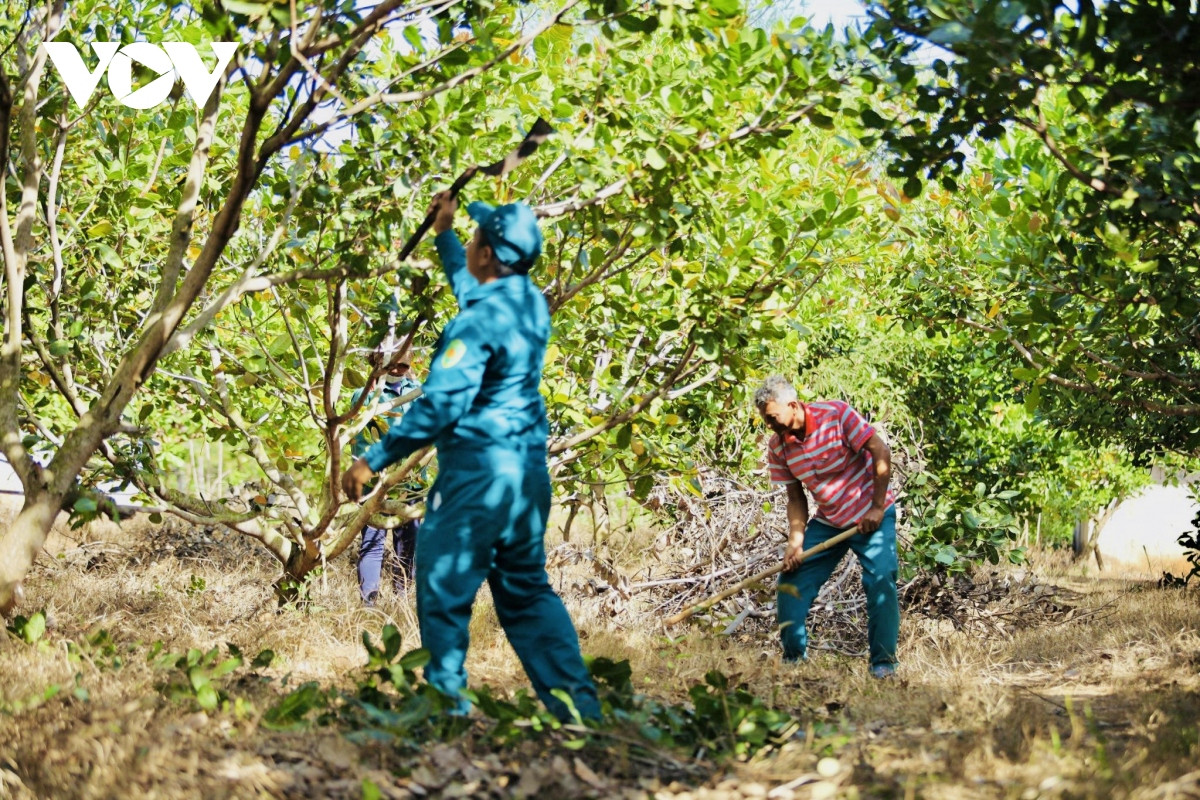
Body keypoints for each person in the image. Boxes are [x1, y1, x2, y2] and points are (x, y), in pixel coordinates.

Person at [342, 190, 601, 722]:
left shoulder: (474, 325)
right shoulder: (526, 304)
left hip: (477, 476)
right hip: (527, 476)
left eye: (474, 239)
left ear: (486, 253)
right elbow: (469, 286)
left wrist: (374, 457)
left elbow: (441, 407)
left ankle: (445, 712)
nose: (472, 245)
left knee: (442, 591)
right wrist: (444, 232)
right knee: (528, 593)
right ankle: (581, 712)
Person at [753, 375, 900, 678]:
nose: (770, 425)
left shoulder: (836, 414)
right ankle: (794, 660)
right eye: (766, 420)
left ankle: (882, 664)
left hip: (870, 514)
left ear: (792, 405)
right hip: (830, 520)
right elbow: (795, 497)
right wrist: (795, 542)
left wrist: (876, 506)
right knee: (790, 581)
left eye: (772, 417)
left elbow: (880, 452)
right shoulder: (778, 447)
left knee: (881, 580)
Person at [350, 350, 423, 607]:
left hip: (412, 483)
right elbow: (358, 443)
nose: (397, 371)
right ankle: (369, 604)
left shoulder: (418, 393)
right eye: (392, 366)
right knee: (372, 544)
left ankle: (402, 600)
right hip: (375, 485)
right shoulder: (363, 396)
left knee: (409, 544)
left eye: (402, 366)